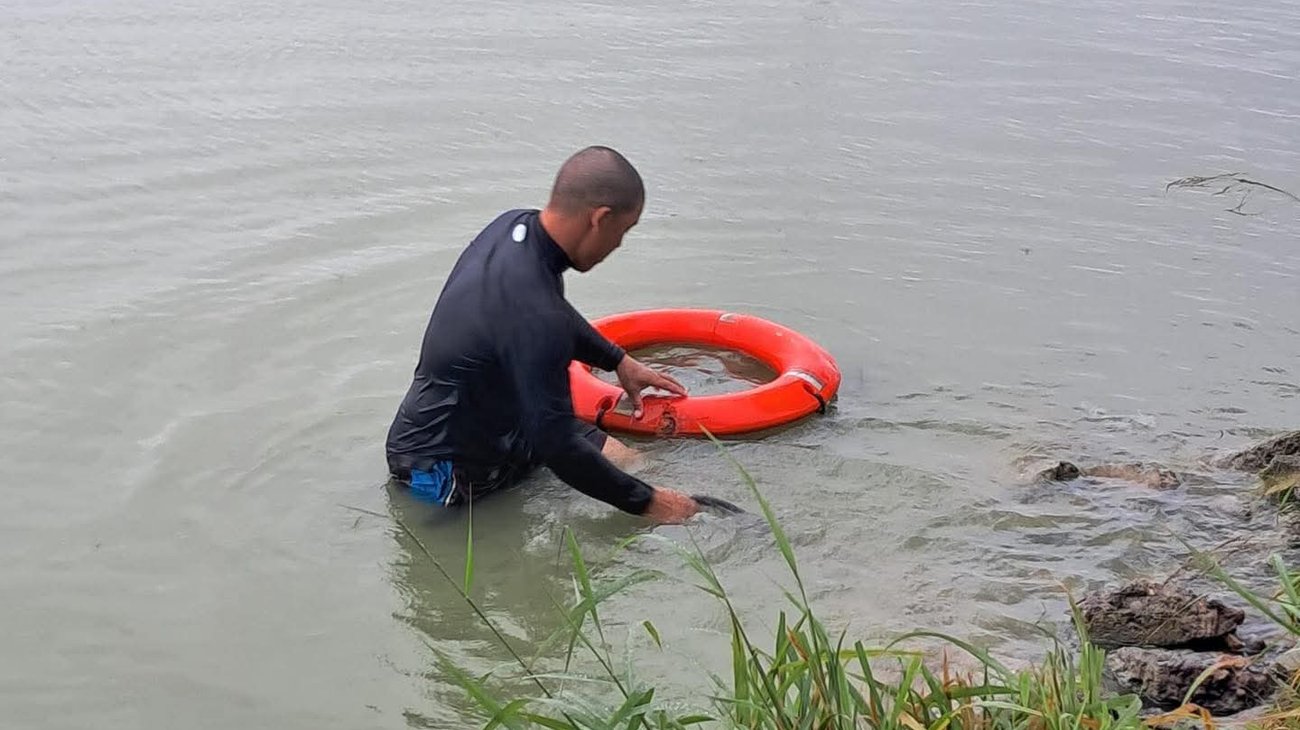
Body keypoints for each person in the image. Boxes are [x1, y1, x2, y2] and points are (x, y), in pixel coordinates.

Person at [385, 146, 701, 524]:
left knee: (631, 460)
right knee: (628, 491)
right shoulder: (536, 313)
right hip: (439, 471)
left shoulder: (513, 227)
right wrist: (650, 504)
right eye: (623, 231)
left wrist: (617, 360)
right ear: (600, 218)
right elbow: (557, 446)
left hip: (499, 426)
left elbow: (553, 313)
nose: (618, 245)